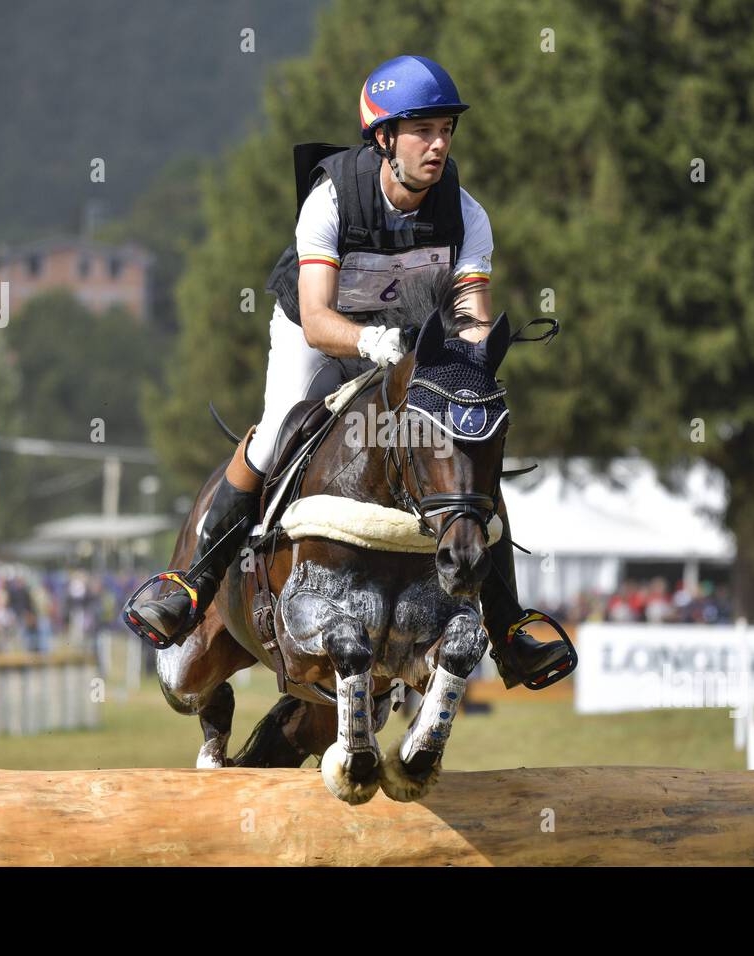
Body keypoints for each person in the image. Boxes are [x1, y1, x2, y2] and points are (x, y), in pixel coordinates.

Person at [127, 55, 571, 689]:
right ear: (384, 138)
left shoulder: (467, 214)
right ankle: (192, 586)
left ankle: (506, 629)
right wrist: (375, 341)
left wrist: (470, 358)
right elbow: (316, 319)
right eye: (424, 131)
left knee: (468, 455)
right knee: (278, 432)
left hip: (411, 349)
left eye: (446, 130)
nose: (439, 144)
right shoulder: (331, 197)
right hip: (323, 336)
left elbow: (472, 313)